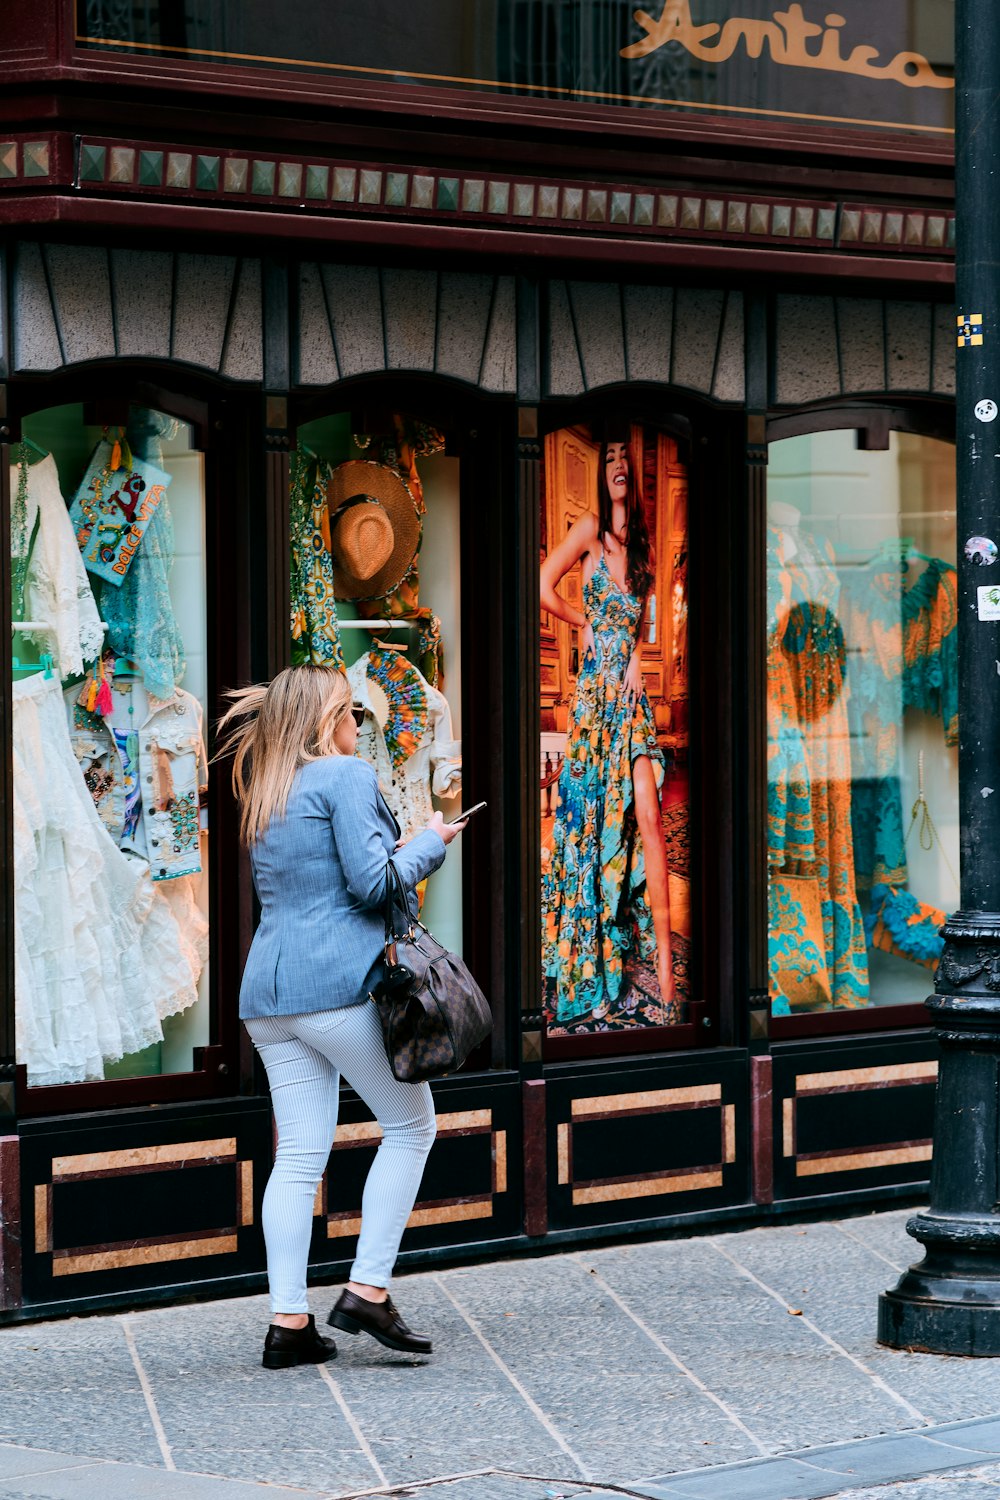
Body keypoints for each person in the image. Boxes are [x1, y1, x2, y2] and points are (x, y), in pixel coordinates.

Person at [218, 665, 465, 1369]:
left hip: (268, 997)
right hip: (337, 987)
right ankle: (367, 1289)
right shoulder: (346, 776)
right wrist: (431, 842)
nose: (358, 721)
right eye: (350, 710)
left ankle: (289, 1323)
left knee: (296, 1156)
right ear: (329, 720)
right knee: (412, 1126)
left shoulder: (266, 786)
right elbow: (371, 884)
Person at [540, 435, 678, 1026]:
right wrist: (587, 621)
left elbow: (644, 630)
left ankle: (669, 979)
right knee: (591, 824)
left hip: (632, 695)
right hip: (595, 701)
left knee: (648, 816)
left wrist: (637, 662)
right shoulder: (590, 531)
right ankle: (591, 958)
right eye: (611, 455)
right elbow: (540, 586)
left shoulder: (643, 545)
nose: (619, 464)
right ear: (602, 469)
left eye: (626, 458)